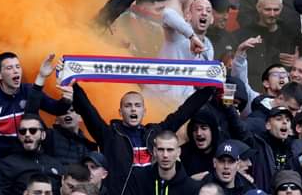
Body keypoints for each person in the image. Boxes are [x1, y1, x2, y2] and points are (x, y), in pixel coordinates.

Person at [68, 83, 213, 195]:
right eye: (128, 106)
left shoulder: (155, 133)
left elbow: (184, 113)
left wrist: (210, 88)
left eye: (137, 105)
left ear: (144, 111)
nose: (133, 109)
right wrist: (73, 84)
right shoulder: (109, 135)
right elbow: (88, 111)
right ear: (120, 111)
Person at [0, 53, 70, 163]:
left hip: (30, 161)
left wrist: (67, 98)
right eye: (9, 68)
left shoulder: (30, 91)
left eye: (18, 67)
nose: (16, 71)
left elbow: (57, 109)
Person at [0, 113, 62, 195]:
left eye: (33, 130)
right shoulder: (7, 165)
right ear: (18, 136)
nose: (27, 134)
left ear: (43, 135)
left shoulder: (55, 164)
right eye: (23, 131)